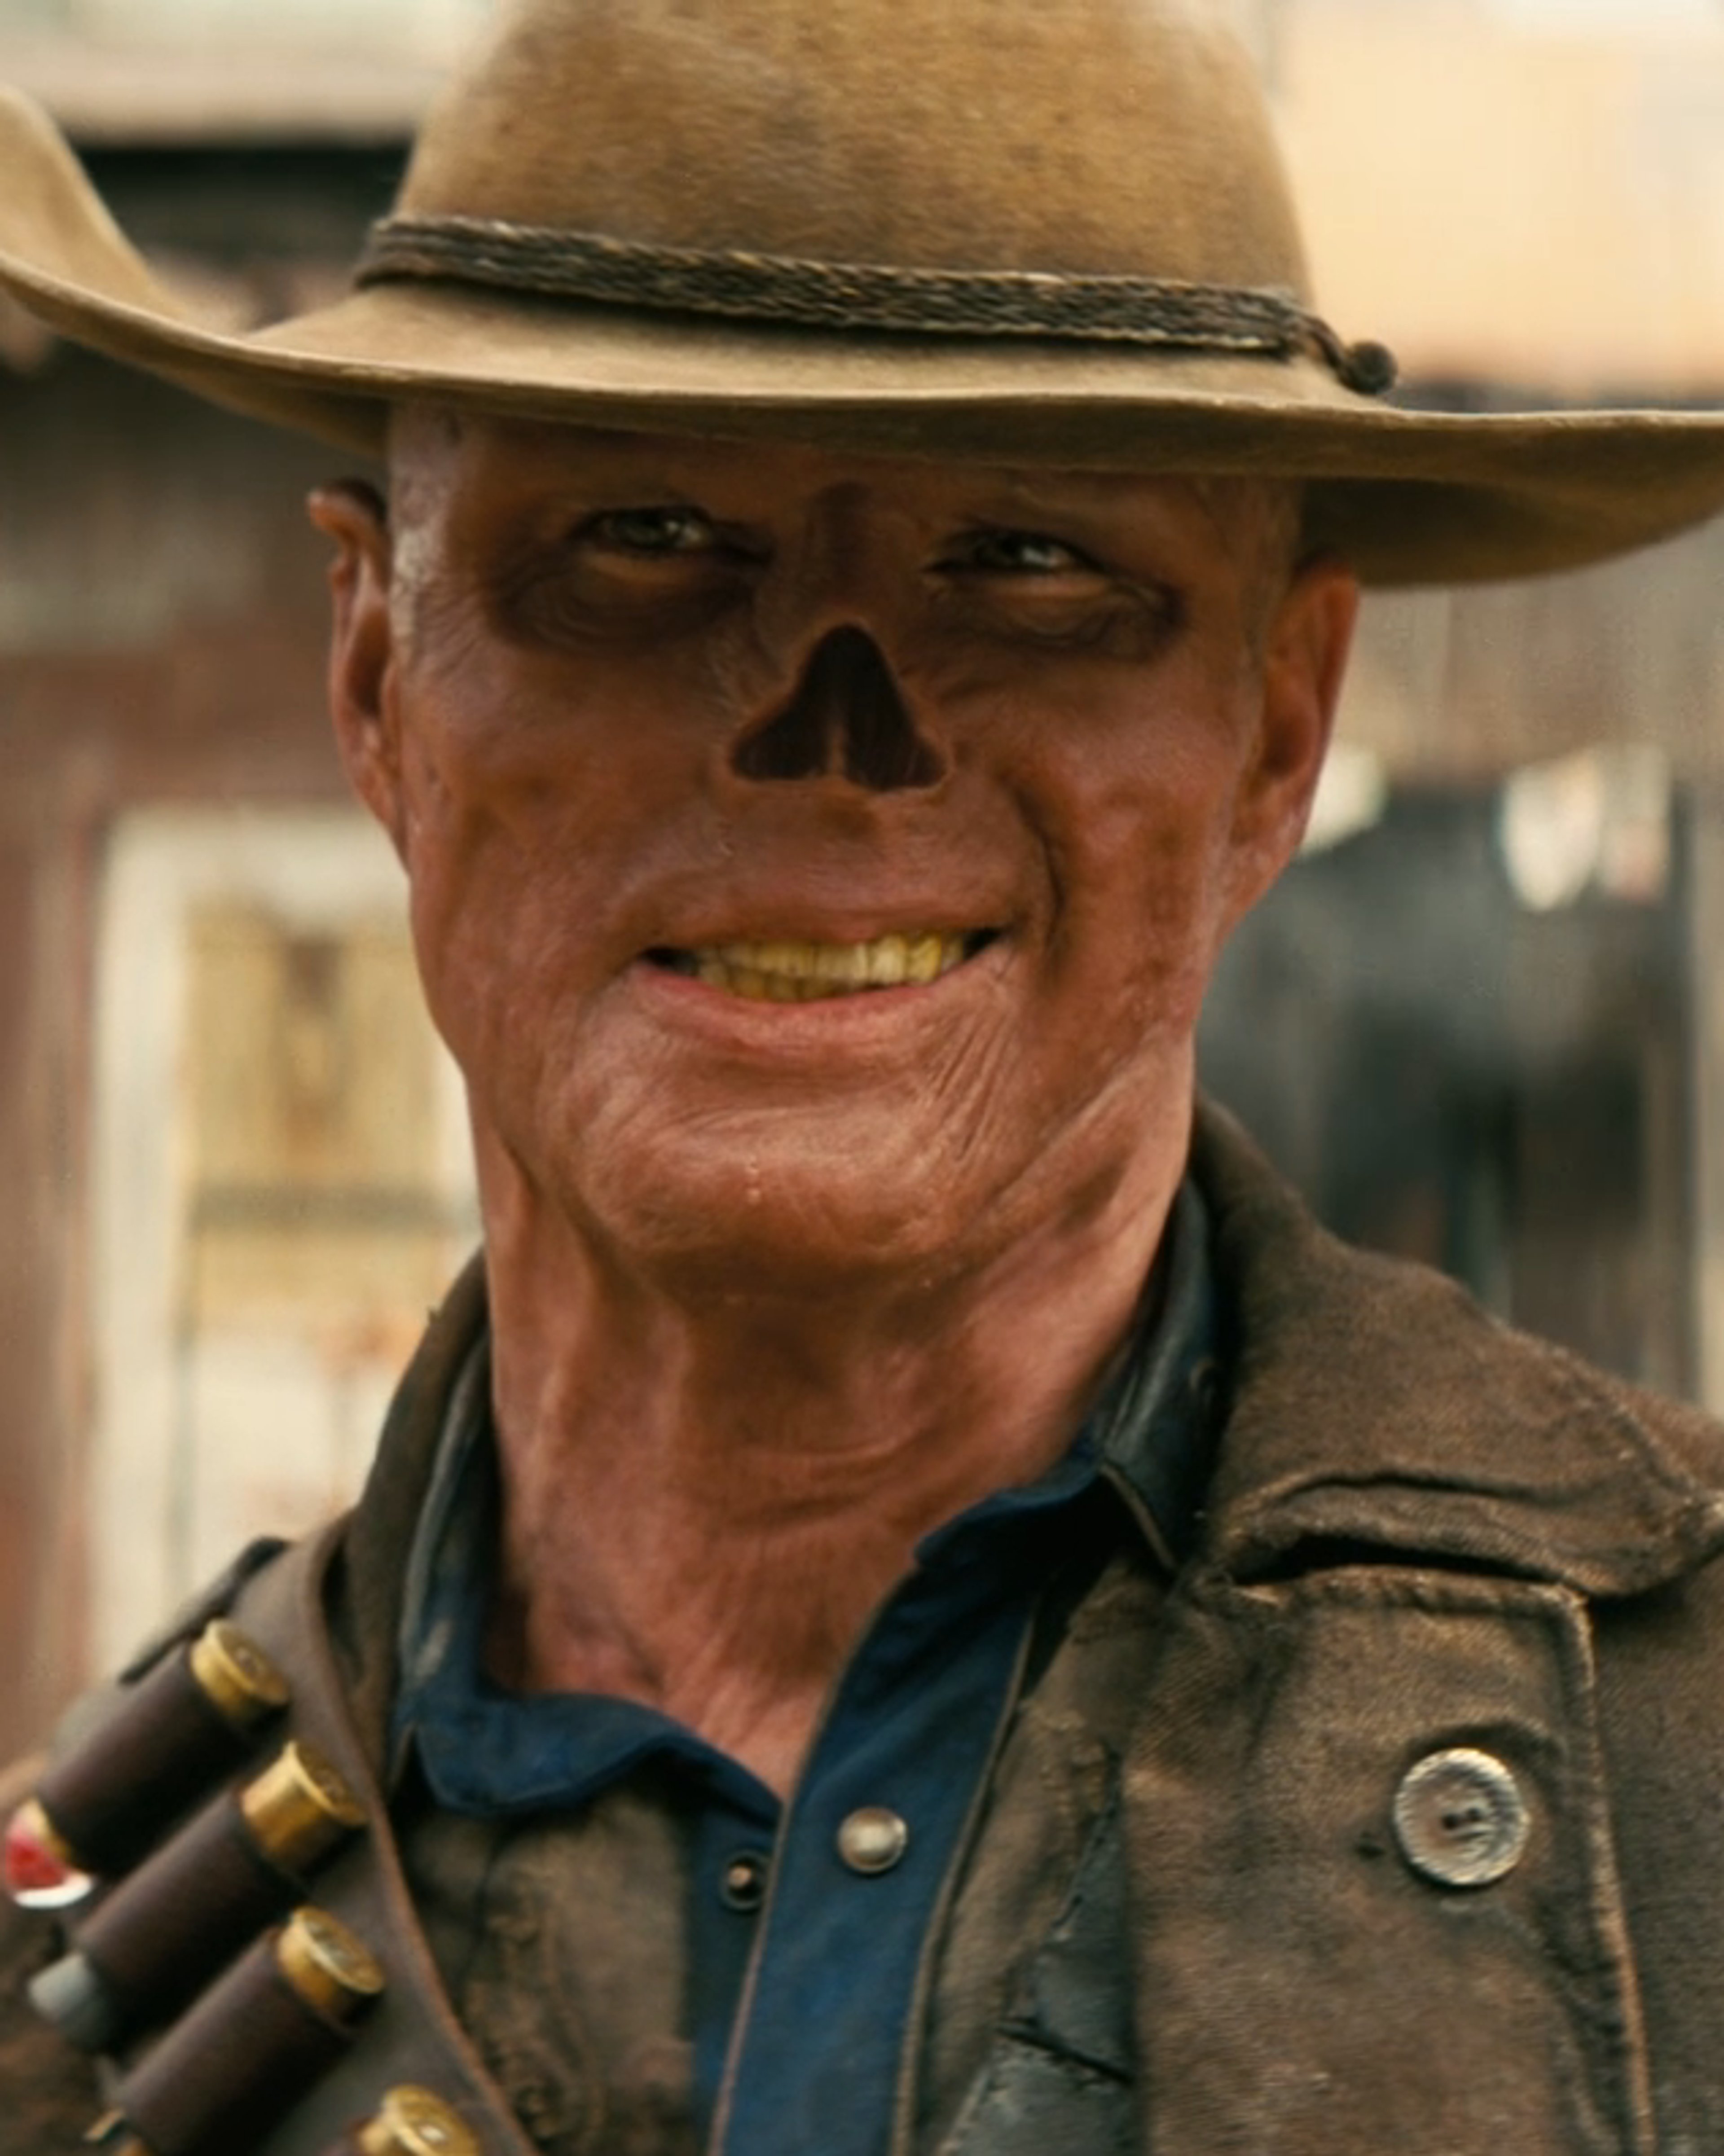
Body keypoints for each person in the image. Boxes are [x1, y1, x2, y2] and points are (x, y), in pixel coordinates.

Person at [4, 1, 1724, 2150]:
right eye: (644, 537)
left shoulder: (1686, 1767)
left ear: (1277, 732)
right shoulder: (113, 1947)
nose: (839, 737)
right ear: (378, 679)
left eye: (1029, 561)